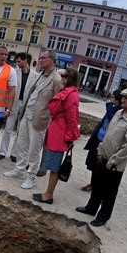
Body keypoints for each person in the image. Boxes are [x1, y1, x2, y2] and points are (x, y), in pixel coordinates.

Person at [76, 87, 127, 227]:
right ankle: (91, 208)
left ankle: (103, 216)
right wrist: (100, 151)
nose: (122, 100)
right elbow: (108, 134)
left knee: (109, 192)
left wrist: (112, 161)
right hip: (103, 157)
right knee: (98, 185)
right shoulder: (118, 113)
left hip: (114, 164)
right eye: (122, 97)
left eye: (126, 98)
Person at [3, 49, 62, 187]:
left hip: (39, 119)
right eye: (40, 58)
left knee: (34, 150)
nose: (40, 60)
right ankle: (19, 170)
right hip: (26, 114)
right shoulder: (39, 75)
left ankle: (31, 177)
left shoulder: (56, 79)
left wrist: (48, 117)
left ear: (52, 60)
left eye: (44, 58)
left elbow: (56, 103)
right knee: (21, 144)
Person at [32, 68, 81, 204]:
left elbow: (72, 118)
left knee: (54, 167)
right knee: (53, 165)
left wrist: (71, 137)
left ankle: (48, 195)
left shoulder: (70, 95)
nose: (61, 79)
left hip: (60, 133)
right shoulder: (70, 93)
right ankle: (47, 192)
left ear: (68, 78)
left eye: (63, 76)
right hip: (58, 131)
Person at [0, 52, 39, 161]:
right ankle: (2, 151)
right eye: (16, 61)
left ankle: (14, 153)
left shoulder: (35, 76)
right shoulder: (14, 73)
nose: (17, 63)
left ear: (26, 61)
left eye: (19, 61)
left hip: (26, 105)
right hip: (14, 103)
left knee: (21, 131)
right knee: (8, 129)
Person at [81, 89, 123, 192]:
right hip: (97, 138)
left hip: (104, 142)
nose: (110, 99)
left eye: (112, 97)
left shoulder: (118, 111)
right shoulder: (112, 108)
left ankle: (96, 186)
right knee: (92, 163)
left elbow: (111, 119)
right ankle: (92, 184)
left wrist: (109, 107)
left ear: (117, 99)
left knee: (99, 165)